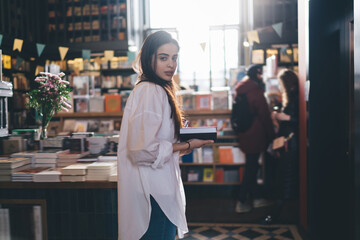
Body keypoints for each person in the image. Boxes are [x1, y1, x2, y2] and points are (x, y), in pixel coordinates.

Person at [117, 31, 214, 240]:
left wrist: (180, 137)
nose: (171, 64)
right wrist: (188, 146)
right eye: (163, 58)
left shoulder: (150, 89)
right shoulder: (151, 91)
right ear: (149, 58)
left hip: (155, 190)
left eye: (174, 57)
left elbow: (151, 141)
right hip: (154, 193)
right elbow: (142, 150)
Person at [234, 64, 276, 213]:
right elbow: (264, 115)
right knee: (251, 168)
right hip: (255, 133)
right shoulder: (256, 91)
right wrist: (272, 136)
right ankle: (242, 200)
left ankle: (256, 198)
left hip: (243, 133)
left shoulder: (240, 89)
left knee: (251, 166)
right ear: (258, 75)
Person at [264, 68, 300, 223]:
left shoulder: (295, 97)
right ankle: (277, 212)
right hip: (288, 143)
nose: (279, 87)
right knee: (284, 177)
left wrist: (282, 116)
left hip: (290, 143)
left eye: (280, 83)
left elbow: (300, 119)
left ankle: (276, 214)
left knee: (285, 177)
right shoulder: (293, 97)